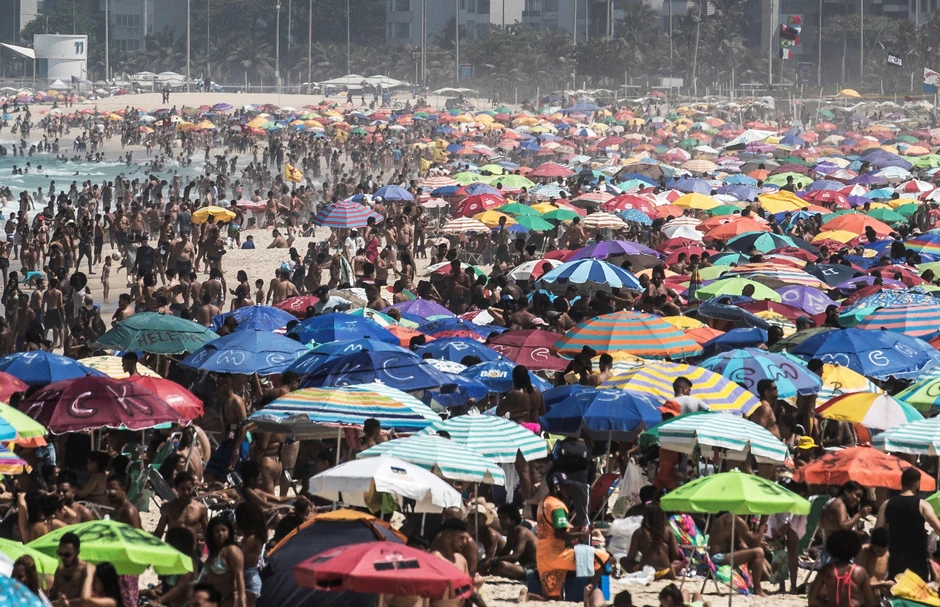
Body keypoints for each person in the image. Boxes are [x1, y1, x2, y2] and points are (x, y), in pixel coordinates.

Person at [536, 473, 597, 600]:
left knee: (551, 598)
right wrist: (582, 535)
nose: (569, 489)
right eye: (565, 486)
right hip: (557, 554)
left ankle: (528, 596)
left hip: (542, 555)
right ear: (556, 487)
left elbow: (558, 529)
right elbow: (560, 534)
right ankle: (589, 596)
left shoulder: (543, 503)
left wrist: (579, 529)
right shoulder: (558, 506)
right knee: (603, 559)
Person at [876, 467, 940, 580]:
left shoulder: (887, 504)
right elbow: (938, 528)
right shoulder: (922, 505)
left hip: (894, 557)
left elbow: (878, 532)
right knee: (916, 594)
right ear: (917, 483)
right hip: (917, 560)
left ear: (902, 482)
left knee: (895, 591)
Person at [808, 529, 876, 607]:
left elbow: (812, 598)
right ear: (856, 548)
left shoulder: (827, 571)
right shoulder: (860, 572)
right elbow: (870, 602)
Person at [707, 511, 768, 596]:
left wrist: (752, 548)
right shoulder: (735, 519)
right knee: (758, 552)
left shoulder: (727, 518)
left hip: (718, 556)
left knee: (756, 553)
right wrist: (763, 522)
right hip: (718, 558)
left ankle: (766, 578)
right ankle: (758, 589)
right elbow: (754, 542)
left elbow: (739, 543)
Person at [622, 503, 682, 579]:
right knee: (679, 563)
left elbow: (631, 556)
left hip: (645, 571)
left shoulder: (639, 532)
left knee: (623, 561)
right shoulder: (668, 531)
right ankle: (665, 573)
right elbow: (676, 554)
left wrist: (635, 563)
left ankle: (640, 569)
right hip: (665, 571)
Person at [483, 504, 537, 581]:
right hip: (525, 567)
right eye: (500, 518)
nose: (501, 521)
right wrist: (490, 562)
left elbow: (515, 557)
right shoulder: (511, 533)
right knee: (494, 567)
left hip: (535, 568)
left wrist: (493, 560)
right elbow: (505, 552)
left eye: (504, 518)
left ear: (513, 520)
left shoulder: (522, 533)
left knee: (502, 565)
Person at [204, 516, 246, 607]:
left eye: (223, 530)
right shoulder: (214, 552)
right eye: (217, 531)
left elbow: (240, 578)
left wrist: (243, 603)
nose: (220, 533)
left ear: (229, 531)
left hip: (227, 600)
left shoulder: (232, 550)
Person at [154, 471, 209, 540]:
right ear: (176, 489)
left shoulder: (200, 508)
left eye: (189, 489)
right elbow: (159, 532)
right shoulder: (168, 508)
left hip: (191, 549)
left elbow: (207, 533)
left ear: (193, 488)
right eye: (183, 489)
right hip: (173, 549)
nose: (186, 492)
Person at [234, 503, 265, 607]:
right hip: (248, 577)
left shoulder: (252, 538)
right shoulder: (250, 537)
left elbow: (238, 556)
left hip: (249, 579)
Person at [49, 532, 94, 601]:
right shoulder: (60, 570)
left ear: (77, 552)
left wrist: (66, 602)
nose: (62, 558)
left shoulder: (86, 569)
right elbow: (53, 596)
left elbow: (86, 599)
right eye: (60, 553)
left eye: (67, 555)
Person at [854, 527, 893, 596]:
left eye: (883, 550)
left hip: (879, 594)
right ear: (872, 545)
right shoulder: (863, 554)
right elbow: (858, 581)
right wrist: (882, 584)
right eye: (878, 550)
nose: (880, 553)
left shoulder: (888, 554)